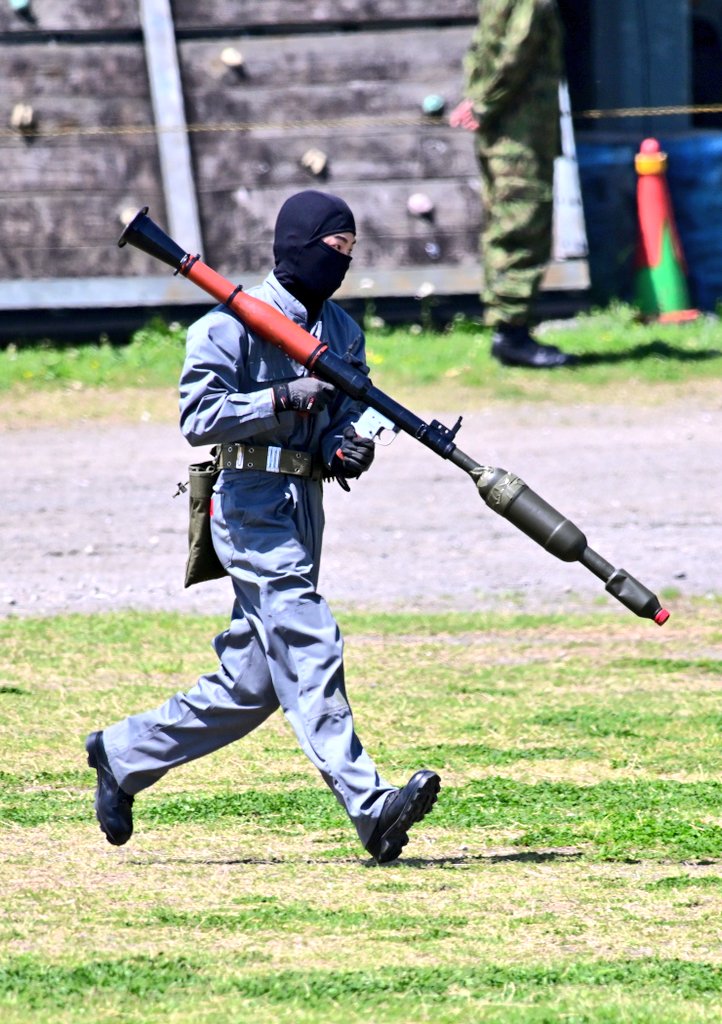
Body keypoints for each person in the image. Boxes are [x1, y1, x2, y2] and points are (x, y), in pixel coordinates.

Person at [85, 190, 440, 865]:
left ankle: (124, 753)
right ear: (299, 247)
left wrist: (344, 446)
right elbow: (200, 417)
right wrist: (278, 397)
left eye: (350, 254)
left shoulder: (341, 329)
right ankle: (371, 808)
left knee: (251, 687)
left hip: (304, 507)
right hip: (248, 502)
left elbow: (345, 418)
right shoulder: (227, 326)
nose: (341, 264)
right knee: (308, 639)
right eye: (334, 251)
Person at [450, 0, 577, 368]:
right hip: (520, 133)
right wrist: (484, 102)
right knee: (520, 228)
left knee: (504, 227)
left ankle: (508, 329)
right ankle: (512, 334)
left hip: (504, 131)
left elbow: (482, 47)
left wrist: (478, 100)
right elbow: (518, 46)